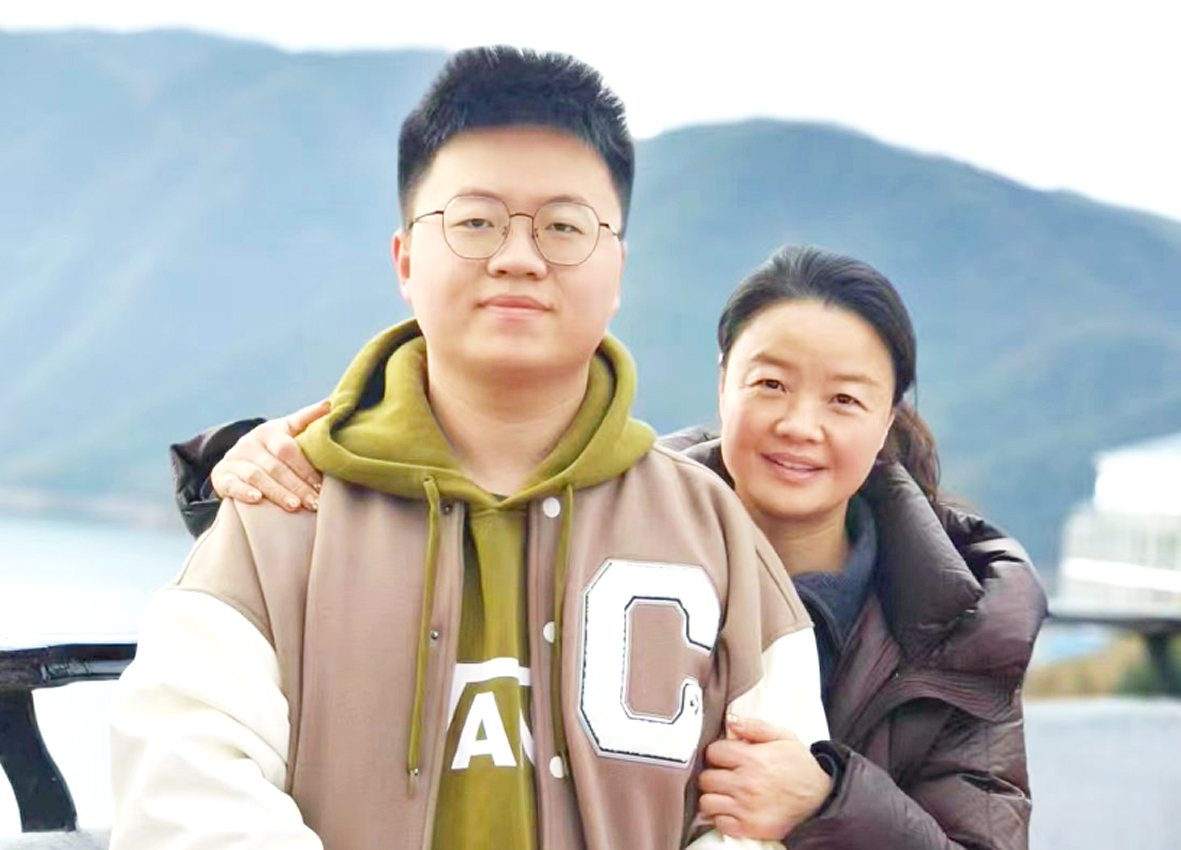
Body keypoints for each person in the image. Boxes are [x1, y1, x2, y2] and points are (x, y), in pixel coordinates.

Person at [109, 47, 830, 850]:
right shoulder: (282, 513)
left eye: (563, 227)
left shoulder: (712, 531)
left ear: (617, 269)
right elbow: (184, 786)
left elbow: (768, 812)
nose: (517, 258)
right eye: (476, 221)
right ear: (405, 259)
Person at [188, 246, 1046, 848]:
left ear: (889, 418)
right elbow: (448, 524)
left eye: (844, 400)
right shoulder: (594, 516)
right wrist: (257, 458)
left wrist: (828, 799)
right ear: (722, 382)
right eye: (769, 383)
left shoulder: (958, 624)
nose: (799, 424)